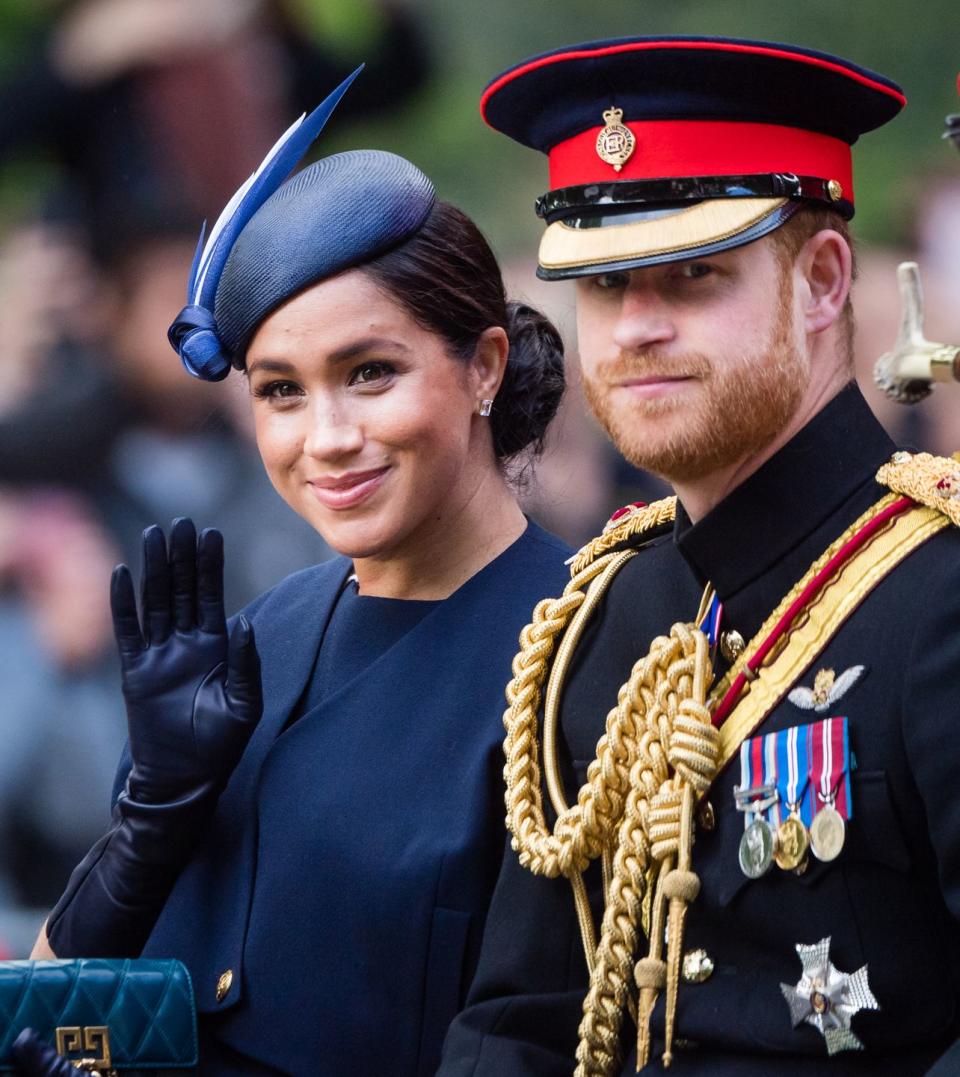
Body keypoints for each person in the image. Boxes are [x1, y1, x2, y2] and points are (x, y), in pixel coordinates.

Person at [14, 79, 570, 1075]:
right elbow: (46, 1014)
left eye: (370, 373)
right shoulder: (262, 634)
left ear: (483, 366)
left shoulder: (584, 645)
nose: (329, 439)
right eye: (280, 392)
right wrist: (147, 826)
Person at [437, 36, 960, 1076]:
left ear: (821, 283)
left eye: (692, 277)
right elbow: (520, 1025)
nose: (634, 329)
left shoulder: (939, 594)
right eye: (602, 284)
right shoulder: (607, 612)